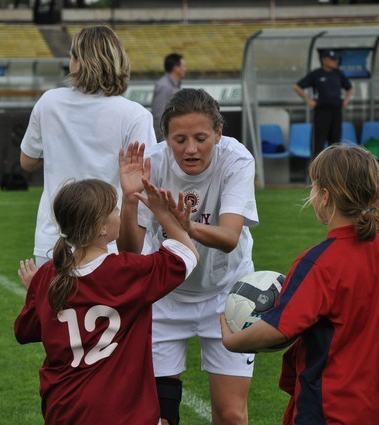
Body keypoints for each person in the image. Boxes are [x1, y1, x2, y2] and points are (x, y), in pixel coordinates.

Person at [220, 144, 379, 424]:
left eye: (313, 187)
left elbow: (278, 329)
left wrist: (232, 341)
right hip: (368, 402)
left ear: (325, 196)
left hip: (326, 404)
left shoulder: (318, 264)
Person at [119, 88, 258, 425]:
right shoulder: (152, 163)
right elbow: (130, 250)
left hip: (228, 294)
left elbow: (229, 238)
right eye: (179, 139)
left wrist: (184, 225)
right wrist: (130, 200)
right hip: (166, 296)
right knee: (159, 417)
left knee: (231, 414)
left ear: (218, 133)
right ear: (166, 138)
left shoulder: (236, 160)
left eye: (201, 138)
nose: (191, 149)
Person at [15, 176, 199, 425]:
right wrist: (164, 214)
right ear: (102, 227)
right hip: (122, 412)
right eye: (114, 209)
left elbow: (25, 331)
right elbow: (187, 255)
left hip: (63, 408)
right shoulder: (126, 270)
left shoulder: (48, 274)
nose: (118, 212)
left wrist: (35, 293)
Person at [20, 25, 157, 267]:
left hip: (55, 240)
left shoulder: (49, 102)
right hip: (110, 240)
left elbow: (27, 161)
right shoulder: (135, 114)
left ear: (78, 62)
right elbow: (146, 181)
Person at [294, 49, 353, 158]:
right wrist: (309, 101)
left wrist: (346, 100)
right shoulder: (316, 74)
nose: (335, 62)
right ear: (324, 60)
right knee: (318, 142)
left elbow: (349, 88)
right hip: (321, 112)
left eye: (336, 59)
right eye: (332, 59)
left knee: (335, 143)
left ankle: (334, 167)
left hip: (336, 111)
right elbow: (297, 87)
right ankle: (317, 167)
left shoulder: (338, 74)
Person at [152, 53, 186, 142]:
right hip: (166, 140)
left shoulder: (175, 86)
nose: (185, 69)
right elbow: (158, 115)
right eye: (183, 66)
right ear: (176, 68)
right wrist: (163, 140)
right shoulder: (164, 86)